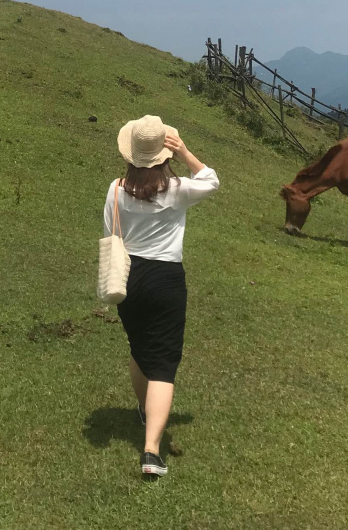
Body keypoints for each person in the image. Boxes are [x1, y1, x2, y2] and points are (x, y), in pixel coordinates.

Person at [105, 114, 219, 477]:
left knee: (140, 348)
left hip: (129, 278)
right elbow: (211, 180)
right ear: (163, 155)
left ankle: (144, 409)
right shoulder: (178, 190)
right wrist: (185, 151)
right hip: (166, 279)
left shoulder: (115, 189)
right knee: (164, 362)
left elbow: (111, 233)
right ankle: (151, 451)